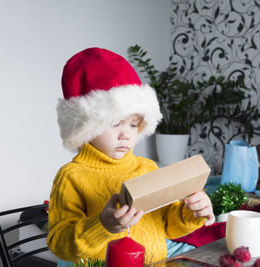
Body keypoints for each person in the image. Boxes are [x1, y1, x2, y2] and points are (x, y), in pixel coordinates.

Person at [47, 47, 215, 265]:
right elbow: (59, 244)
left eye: (134, 124)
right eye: (115, 123)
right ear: (85, 126)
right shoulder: (71, 176)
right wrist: (102, 226)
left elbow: (167, 225)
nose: (126, 134)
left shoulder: (146, 167)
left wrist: (190, 213)